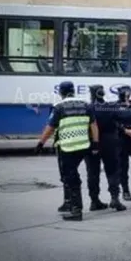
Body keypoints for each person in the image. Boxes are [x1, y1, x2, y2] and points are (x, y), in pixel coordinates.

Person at [35, 81, 99, 221]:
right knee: (71, 176)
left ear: (61, 93)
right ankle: (68, 203)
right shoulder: (86, 105)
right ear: (73, 91)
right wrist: (95, 143)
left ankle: (76, 211)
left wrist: (41, 143)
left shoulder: (59, 107)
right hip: (83, 146)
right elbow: (93, 125)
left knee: (71, 178)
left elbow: (50, 128)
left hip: (67, 147)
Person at [85, 85, 127, 212]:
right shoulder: (111, 107)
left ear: (92, 94)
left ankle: (94, 201)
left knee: (92, 172)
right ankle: (115, 199)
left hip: (91, 142)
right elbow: (123, 118)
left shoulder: (88, 108)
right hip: (110, 142)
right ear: (102, 93)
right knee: (113, 170)